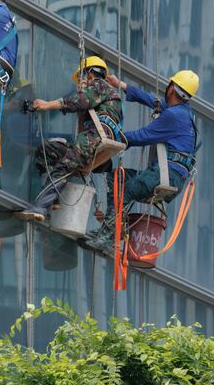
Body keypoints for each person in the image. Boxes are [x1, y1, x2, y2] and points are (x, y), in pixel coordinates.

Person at [82, 70, 200, 254]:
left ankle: (107, 236)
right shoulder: (183, 112)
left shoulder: (173, 116)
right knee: (117, 178)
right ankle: (111, 231)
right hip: (170, 176)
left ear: (172, 89)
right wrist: (119, 84)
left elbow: (142, 136)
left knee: (127, 190)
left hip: (165, 175)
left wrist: (111, 138)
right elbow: (151, 100)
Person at [14, 56, 124, 222]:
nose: (79, 83)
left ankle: (40, 207)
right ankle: (54, 198)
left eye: (81, 78)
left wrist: (46, 105)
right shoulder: (103, 95)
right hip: (92, 140)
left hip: (94, 138)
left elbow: (77, 101)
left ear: (90, 75)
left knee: (64, 165)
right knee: (46, 150)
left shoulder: (100, 85)